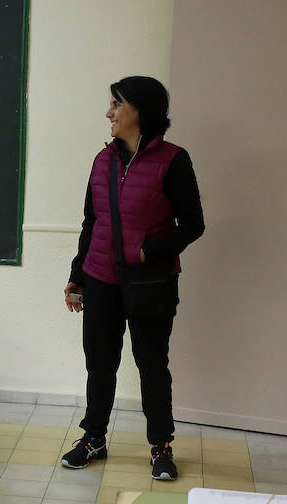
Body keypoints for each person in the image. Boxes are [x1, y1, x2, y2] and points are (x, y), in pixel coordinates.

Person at [61, 76, 204, 479]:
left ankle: (161, 446)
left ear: (140, 110)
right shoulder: (102, 161)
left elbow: (192, 224)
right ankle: (94, 438)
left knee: (152, 364)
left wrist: (151, 251)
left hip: (150, 283)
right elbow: (92, 222)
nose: (109, 113)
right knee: (100, 363)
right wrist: (77, 276)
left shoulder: (173, 160)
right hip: (101, 278)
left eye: (116, 104)